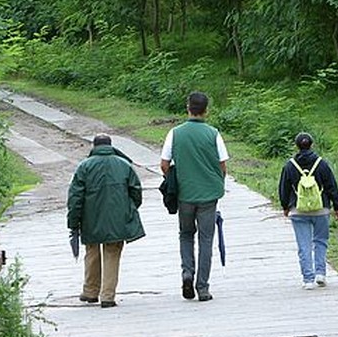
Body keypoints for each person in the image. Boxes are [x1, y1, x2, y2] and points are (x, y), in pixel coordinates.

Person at [160, 91, 229, 302]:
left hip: (185, 195)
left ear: (187, 108)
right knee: (206, 239)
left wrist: (176, 177)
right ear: (206, 110)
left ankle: (187, 273)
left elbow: (164, 164)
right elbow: (223, 166)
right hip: (209, 195)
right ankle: (203, 287)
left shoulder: (175, 133)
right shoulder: (213, 134)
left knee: (186, 234)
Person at [67, 134, 145, 308]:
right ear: (110, 146)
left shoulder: (84, 167)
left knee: (92, 252)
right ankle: (108, 296)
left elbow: (75, 198)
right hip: (118, 218)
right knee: (112, 253)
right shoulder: (125, 165)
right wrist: (129, 209)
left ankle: (90, 291)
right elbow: (136, 192)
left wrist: (73, 222)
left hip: (90, 218)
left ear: (94, 147)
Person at [279, 132, 338, 289]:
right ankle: (320, 273)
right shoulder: (321, 164)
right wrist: (336, 206)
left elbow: (284, 188)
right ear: (312, 145)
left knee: (304, 245)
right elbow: (331, 186)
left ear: (297, 146)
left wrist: (285, 206)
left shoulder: (290, 165)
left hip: (298, 210)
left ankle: (308, 279)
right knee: (320, 241)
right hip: (321, 209)